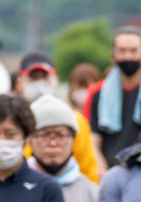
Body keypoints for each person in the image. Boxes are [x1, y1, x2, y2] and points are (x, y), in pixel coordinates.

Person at [16, 51, 98, 183]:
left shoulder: (75, 120)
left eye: (45, 77)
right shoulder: (13, 122)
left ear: (56, 80)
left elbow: (88, 171)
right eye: (33, 78)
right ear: (19, 83)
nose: (40, 84)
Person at [84, 26, 141, 175]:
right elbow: (91, 138)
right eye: (122, 51)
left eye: (133, 51)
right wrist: (101, 169)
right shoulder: (97, 92)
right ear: (113, 55)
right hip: (108, 171)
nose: (128, 56)